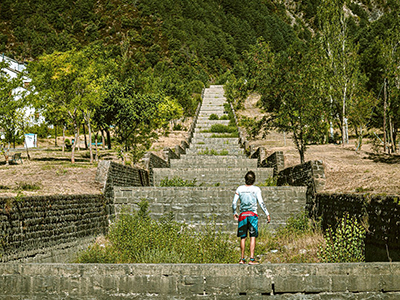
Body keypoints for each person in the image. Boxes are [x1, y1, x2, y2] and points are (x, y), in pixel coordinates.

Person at [232, 170, 271, 265]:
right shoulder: (256, 189)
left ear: (245, 179)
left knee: (243, 237)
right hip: (252, 215)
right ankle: (251, 259)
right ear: (254, 180)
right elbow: (261, 202)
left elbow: (234, 203)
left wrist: (234, 212)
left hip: (243, 215)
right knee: (252, 236)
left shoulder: (239, 189)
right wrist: (267, 214)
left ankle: (242, 259)